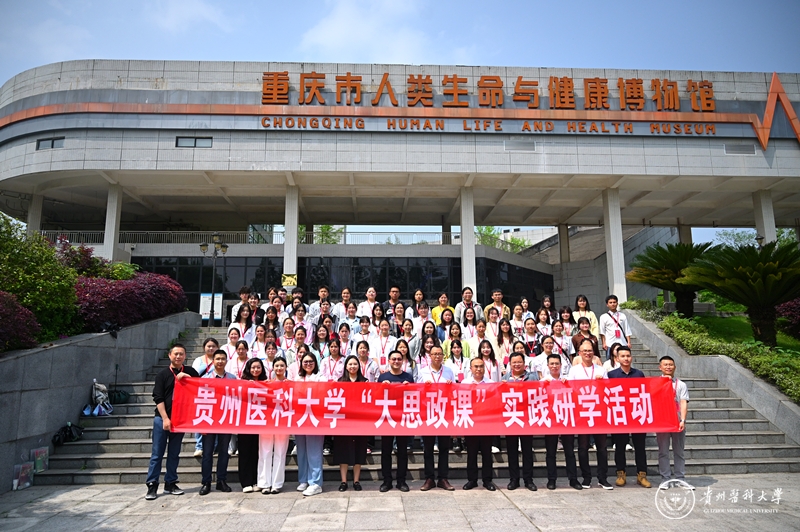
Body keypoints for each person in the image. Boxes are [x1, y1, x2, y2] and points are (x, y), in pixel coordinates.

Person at [145, 344, 198, 500]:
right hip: (162, 418)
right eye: (176, 354)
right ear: (169, 355)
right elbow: (158, 397)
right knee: (157, 454)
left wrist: (187, 378)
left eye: (181, 354)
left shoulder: (191, 372)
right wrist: (165, 418)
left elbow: (200, 388)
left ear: (185, 356)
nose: (178, 356)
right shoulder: (162, 375)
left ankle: (170, 483)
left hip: (180, 419)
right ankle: (152, 485)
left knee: (174, 453)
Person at [567, 339, 612, 490]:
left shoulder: (601, 370)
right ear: (579, 353)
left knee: (602, 447)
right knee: (583, 447)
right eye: (584, 351)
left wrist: (602, 383)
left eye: (590, 350)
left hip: (599, 412)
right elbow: (571, 389)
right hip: (582, 413)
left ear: (594, 353)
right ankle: (586, 477)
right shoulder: (574, 370)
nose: (587, 353)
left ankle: (602, 478)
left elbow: (608, 389)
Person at [607, 346, 651, 488]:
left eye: (628, 356)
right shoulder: (612, 375)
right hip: (620, 415)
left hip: (637, 414)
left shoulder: (639, 374)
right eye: (623, 356)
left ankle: (641, 475)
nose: (626, 358)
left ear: (631, 357)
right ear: (617, 358)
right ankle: (621, 473)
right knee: (620, 446)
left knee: (640, 446)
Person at [416, 346, 455, 491]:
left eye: (439, 354)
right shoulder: (423, 372)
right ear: (430, 356)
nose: (437, 356)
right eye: (434, 354)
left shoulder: (449, 371)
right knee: (428, 448)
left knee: (444, 447)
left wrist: (450, 387)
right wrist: (424, 388)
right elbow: (417, 391)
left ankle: (443, 478)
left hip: (444, 413)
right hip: (428, 413)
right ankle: (429, 478)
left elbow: (455, 392)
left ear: (443, 356)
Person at [541, 353, 582, 490]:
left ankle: (573, 479)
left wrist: (569, 385)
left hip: (566, 419)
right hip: (551, 420)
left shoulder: (567, 380)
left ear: (561, 365)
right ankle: (551, 479)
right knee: (550, 452)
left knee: (569, 451)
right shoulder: (543, 381)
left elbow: (576, 396)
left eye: (556, 364)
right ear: (548, 366)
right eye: (552, 364)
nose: (554, 366)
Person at [198, 349, 235, 496]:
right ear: (213, 361)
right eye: (217, 359)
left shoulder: (232, 378)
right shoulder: (205, 378)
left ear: (226, 361)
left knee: (224, 452)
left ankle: (221, 480)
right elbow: (200, 401)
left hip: (225, 419)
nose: (220, 361)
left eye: (222, 359)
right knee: (207, 453)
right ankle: (206, 482)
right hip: (209, 420)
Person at [377, 350, 414, 492]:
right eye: (394, 359)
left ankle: (401, 481)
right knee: (386, 451)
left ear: (403, 361)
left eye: (399, 359)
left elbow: (414, 397)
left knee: (402, 451)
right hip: (387, 418)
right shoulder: (383, 377)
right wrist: (381, 387)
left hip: (402, 418)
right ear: (389, 361)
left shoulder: (408, 377)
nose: (396, 361)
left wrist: (409, 388)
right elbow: (377, 397)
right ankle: (386, 481)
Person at [502, 352, 539, 491]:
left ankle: (528, 480)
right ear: (510, 364)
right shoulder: (505, 378)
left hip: (527, 419)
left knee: (527, 451)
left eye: (519, 362)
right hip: (511, 418)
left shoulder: (532, 377)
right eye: (514, 362)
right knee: (512, 451)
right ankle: (514, 479)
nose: (517, 365)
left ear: (524, 364)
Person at [657, 355, 692, 490]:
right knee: (663, 452)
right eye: (665, 365)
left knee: (679, 452)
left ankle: (680, 479)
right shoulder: (656, 384)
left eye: (670, 364)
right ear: (660, 367)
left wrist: (683, 420)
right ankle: (665, 479)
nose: (668, 367)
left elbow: (683, 402)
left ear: (675, 367)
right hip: (662, 423)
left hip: (677, 422)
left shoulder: (681, 384)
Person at [292, 353, 326, 496]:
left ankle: (316, 483)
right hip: (300, 418)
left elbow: (323, 393)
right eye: (305, 362)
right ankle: (304, 479)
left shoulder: (321, 378)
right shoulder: (297, 378)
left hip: (314, 418)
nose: (308, 364)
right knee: (302, 450)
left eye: (311, 361)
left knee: (314, 451)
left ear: (315, 362)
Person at [462, 357, 497, 491]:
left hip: (486, 424)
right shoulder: (465, 383)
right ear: (470, 369)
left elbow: (495, 402)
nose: (478, 369)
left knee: (487, 453)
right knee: (471, 453)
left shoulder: (491, 383)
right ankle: (472, 480)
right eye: (475, 366)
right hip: (471, 423)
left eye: (481, 366)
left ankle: (487, 480)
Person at [335, 355, 369, 492]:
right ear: (346, 367)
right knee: (343, 451)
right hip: (344, 422)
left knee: (359, 451)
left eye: (355, 364)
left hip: (360, 422)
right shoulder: (340, 382)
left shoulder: (365, 382)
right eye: (350, 364)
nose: (353, 366)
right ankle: (343, 481)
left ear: (359, 366)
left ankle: (356, 481)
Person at [258, 357, 290, 494]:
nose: (279, 368)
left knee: (280, 452)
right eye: (277, 366)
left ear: (286, 367)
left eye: (282, 366)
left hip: (283, 421)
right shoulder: (266, 384)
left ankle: (277, 483)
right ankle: (264, 483)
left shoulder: (290, 384)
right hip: (267, 421)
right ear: (273, 368)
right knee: (264, 452)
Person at [238, 358, 267, 493]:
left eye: (258, 367)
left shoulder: (266, 383)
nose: (256, 370)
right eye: (253, 367)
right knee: (245, 452)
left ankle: (256, 480)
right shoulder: (242, 383)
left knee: (257, 452)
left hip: (261, 422)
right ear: (248, 369)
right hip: (245, 422)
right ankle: (246, 482)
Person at [191, 337, 219, 457]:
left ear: (217, 347)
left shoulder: (220, 359)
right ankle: (199, 446)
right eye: (209, 346)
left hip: (216, 394)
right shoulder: (198, 360)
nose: (211, 348)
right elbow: (193, 375)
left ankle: (214, 446)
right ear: (204, 348)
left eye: (213, 346)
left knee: (215, 419)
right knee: (201, 418)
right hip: (201, 393)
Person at [598, 295, 631, 359]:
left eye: (614, 302)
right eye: (610, 302)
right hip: (610, 343)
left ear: (617, 303)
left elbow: (627, 329)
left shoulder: (622, 316)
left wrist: (629, 342)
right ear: (607, 304)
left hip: (622, 342)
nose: (613, 304)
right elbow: (602, 331)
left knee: (623, 360)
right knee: (610, 361)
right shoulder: (603, 317)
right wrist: (603, 343)